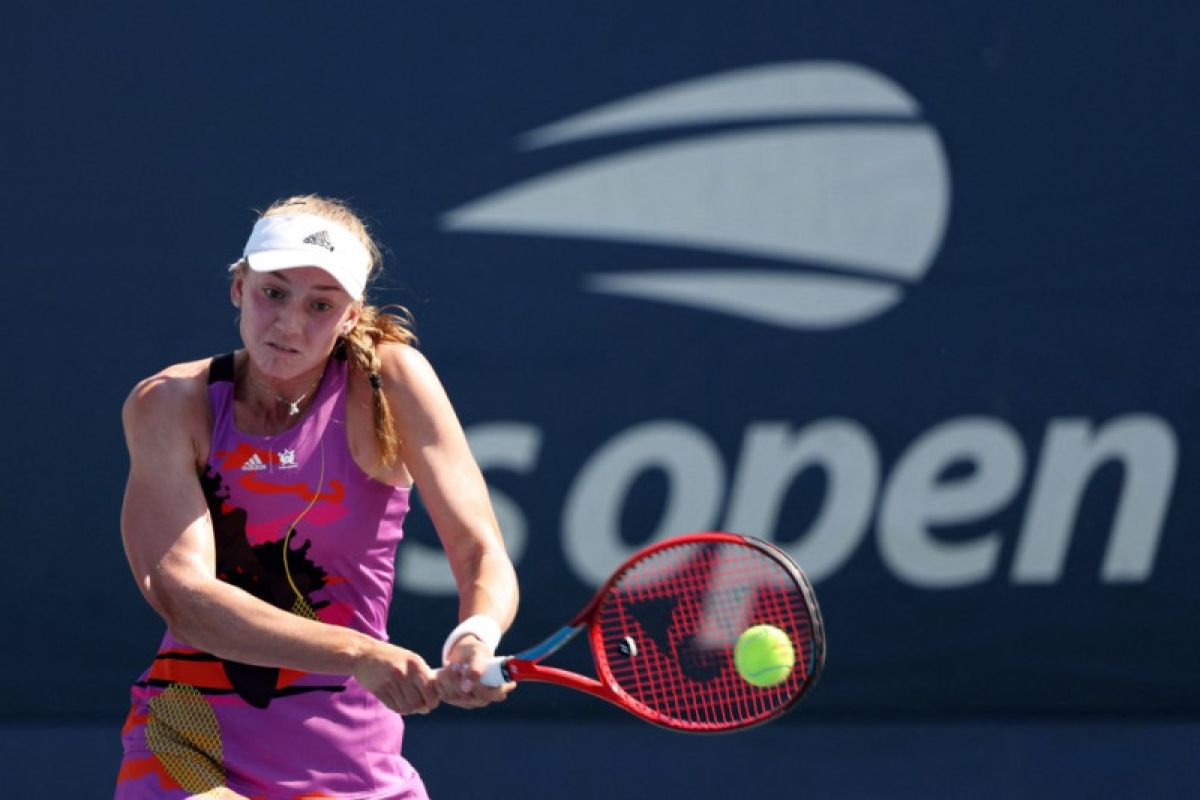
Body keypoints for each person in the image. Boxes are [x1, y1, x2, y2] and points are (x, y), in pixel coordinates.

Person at [115, 195, 519, 799]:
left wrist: (476, 634)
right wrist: (358, 652)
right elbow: (183, 597)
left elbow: (479, 548)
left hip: (352, 759)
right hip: (190, 745)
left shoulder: (391, 381)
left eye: (320, 305)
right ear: (238, 287)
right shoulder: (170, 403)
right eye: (273, 293)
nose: (289, 324)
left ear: (351, 316)